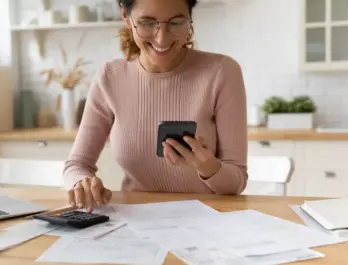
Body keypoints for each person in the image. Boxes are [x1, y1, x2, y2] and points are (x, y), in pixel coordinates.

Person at [63, 0, 248, 212]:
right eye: (147, 22)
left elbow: (237, 181)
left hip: (206, 221)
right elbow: (76, 165)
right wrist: (81, 183)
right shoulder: (110, 77)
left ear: (190, 18)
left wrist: (207, 167)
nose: (162, 38)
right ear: (125, 16)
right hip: (135, 222)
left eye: (176, 22)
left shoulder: (222, 72)